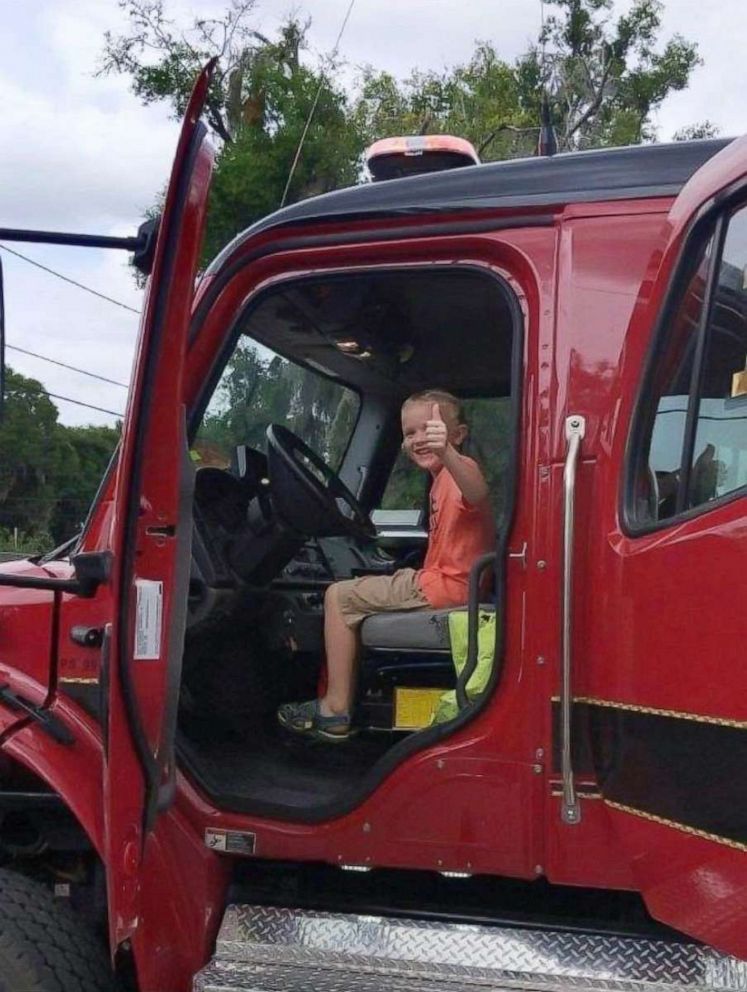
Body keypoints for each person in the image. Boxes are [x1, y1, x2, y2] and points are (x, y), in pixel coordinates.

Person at [277, 390, 495, 741]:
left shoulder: (459, 471)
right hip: (446, 582)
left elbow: (478, 493)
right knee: (369, 587)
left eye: (432, 429)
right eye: (410, 433)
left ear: (458, 435)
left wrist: (448, 454)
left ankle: (335, 709)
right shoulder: (440, 479)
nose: (420, 439)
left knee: (338, 596)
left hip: (444, 587)